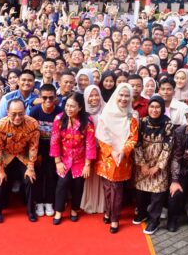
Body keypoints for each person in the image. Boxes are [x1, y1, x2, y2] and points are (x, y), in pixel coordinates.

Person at [95, 84, 138, 234]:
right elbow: (101, 137)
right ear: (115, 96)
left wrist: (123, 151)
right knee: (107, 188)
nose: (124, 98)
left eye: (127, 96)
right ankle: (107, 211)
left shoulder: (133, 115)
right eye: (121, 95)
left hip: (123, 157)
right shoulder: (106, 114)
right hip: (107, 157)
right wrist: (112, 151)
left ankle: (114, 218)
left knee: (117, 189)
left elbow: (133, 137)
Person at [0, 99, 40, 223]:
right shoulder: (0, 125)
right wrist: (0, 170)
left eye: (21, 113)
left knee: (31, 178)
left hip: (23, 155)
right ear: (7, 112)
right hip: (6, 156)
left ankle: (30, 210)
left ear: (25, 111)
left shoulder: (33, 124)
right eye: (14, 114)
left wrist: (30, 168)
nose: (18, 117)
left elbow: (33, 147)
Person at [50, 92, 95, 224]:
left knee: (78, 185)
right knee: (62, 184)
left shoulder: (87, 121)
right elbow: (54, 141)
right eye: (67, 105)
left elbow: (90, 143)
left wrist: (87, 164)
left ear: (80, 107)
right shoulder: (59, 119)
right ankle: (58, 211)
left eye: (72, 106)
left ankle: (75, 209)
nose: (69, 109)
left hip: (80, 160)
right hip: (63, 158)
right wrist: (57, 161)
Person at [134, 95, 174, 234]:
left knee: (157, 194)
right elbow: (136, 144)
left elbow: (168, 147)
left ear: (162, 108)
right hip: (143, 162)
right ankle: (142, 213)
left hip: (159, 163)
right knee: (140, 192)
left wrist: (158, 166)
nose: (154, 110)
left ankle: (154, 221)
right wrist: (142, 164)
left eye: (158, 107)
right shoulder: (142, 122)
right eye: (152, 106)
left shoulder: (167, 124)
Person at [28, 83, 63, 217]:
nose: (48, 101)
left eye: (51, 98)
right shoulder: (35, 111)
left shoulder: (60, 111)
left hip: (54, 150)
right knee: (38, 175)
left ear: (55, 98)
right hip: (37, 149)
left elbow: (61, 135)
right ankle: (38, 202)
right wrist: (37, 154)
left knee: (50, 175)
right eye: (45, 98)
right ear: (40, 97)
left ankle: (49, 201)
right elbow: (31, 134)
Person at [80, 85, 106, 214]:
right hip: (86, 150)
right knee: (89, 177)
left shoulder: (106, 109)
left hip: (103, 149)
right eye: (91, 95)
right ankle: (90, 202)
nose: (94, 98)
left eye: (97, 95)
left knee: (102, 177)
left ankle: (102, 203)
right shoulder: (82, 112)